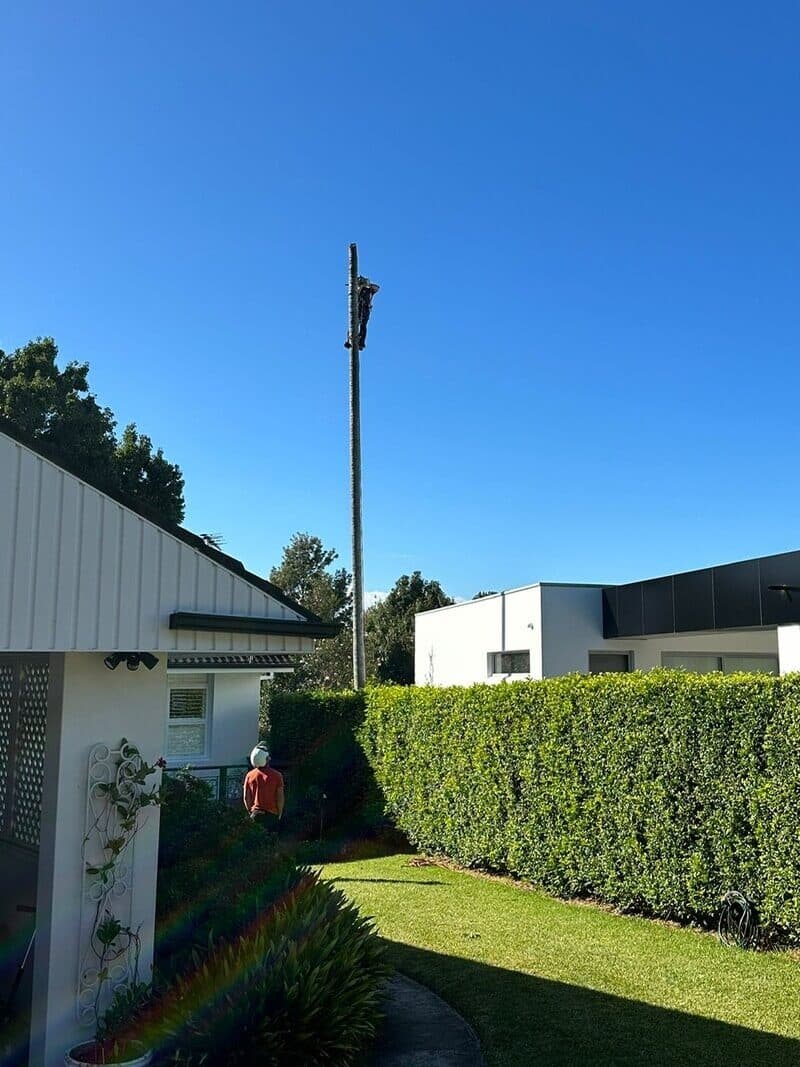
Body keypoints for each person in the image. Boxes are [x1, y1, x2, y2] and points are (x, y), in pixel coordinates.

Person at [243, 745, 284, 831]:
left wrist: (251, 812)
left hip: (255, 814)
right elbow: (280, 797)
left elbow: (246, 798)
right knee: (271, 842)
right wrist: (279, 813)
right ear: (266, 759)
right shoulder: (277, 775)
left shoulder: (249, 775)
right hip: (271, 814)